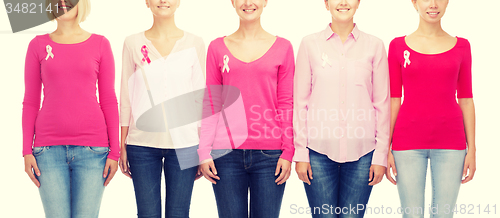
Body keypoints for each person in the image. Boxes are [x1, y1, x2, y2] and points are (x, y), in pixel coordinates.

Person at [198, 0, 295, 217]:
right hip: (226, 155)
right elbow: (212, 102)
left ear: (265, 2)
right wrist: (204, 151)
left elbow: (286, 102)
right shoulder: (216, 47)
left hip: (270, 156)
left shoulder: (284, 47)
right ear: (232, 2)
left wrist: (288, 151)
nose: (248, 3)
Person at [22, 0, 119, 217]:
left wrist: (115, 152)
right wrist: (26, 150)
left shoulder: (100, 44)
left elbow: (109, 100)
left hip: (93, 152)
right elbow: (30, 101)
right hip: (47, 152)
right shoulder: (37, 45)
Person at [294, 0, 390, 217]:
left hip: (363, 153)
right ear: (326, 4)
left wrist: (380, 155)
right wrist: (301, 152)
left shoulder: (374, 45)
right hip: (318, 152)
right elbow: (300, 102)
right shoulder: (309, 44)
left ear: (358, 3)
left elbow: (382, 104)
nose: (343, 2)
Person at [386, 0, 476, 217]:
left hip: (451, 143)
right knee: (412, 214)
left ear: (447, 3)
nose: (433, 4)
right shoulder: (398, 46)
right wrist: (385, 147)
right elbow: (394, 99)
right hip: (406, 143)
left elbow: (466, 98)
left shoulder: (462, 46)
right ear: (414, 3)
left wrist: (471, 148)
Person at [118, 0, 206, 217]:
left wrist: (203, 150)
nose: (163, 1)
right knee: (147, 213)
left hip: (185, 145)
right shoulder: (132, 43)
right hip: (142, 145)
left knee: (179, 213)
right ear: (147, 2)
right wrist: (122, 144)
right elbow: (126, 96)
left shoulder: (195, 43)